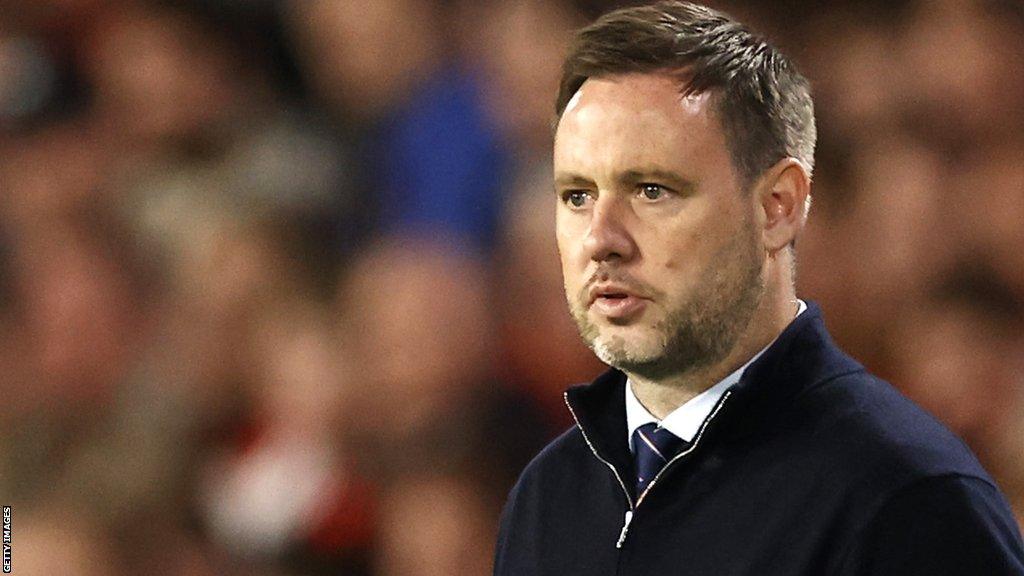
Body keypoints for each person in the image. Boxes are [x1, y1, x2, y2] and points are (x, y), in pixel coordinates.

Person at [492, 2, 1024, 575]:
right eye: (577, 195)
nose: (601, 239)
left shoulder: (907, 501)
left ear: (778, 207)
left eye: (652, 190)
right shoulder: (546, 497)